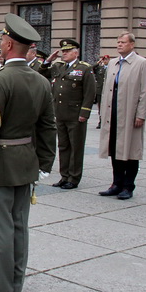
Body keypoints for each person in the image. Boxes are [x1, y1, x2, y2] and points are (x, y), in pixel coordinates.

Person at [0, 13, 56, 292]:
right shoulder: (41, 81)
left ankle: (1, 286)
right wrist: (45, 163)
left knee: (0, 227)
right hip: (27, 161)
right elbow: (47, 127)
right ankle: (16, 282)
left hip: (1, 163)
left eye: (1, 41)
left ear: (8, 45)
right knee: (20, 223)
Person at [98, 32, 146, 200]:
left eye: (123, 42)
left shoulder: (142, 63)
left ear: (132, 45)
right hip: (113, 113)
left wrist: (141, 115)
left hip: (130, 113)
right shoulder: (114, 63)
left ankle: (128, 186)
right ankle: (116, 183)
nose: (119, 45)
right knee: (115, 149)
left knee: (130, 150)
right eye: (118, 42)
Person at [40, 39, 96, 189]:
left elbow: (90, 92)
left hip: (75, 114)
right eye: (63, 51)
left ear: (75, 53)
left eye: (67, 51)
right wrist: (47, 61)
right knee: (63, 146)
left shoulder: (84, 68)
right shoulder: (58, 66)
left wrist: (85, 112)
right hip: (60, 113)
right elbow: (41, 72)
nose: (63, 54)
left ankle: (74, 177)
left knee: (75, 147)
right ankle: (64, 176)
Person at [93, 55, 109, 128]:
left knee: (108, 107)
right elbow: (92, 68)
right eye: (104, 59)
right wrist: (98, 62)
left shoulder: (111, 68)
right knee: (100, 107)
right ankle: (101, 121)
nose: (105, 61)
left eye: (106, 59)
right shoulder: (99, 68)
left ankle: (108, 122)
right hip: (100, 90)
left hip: (108, 90)